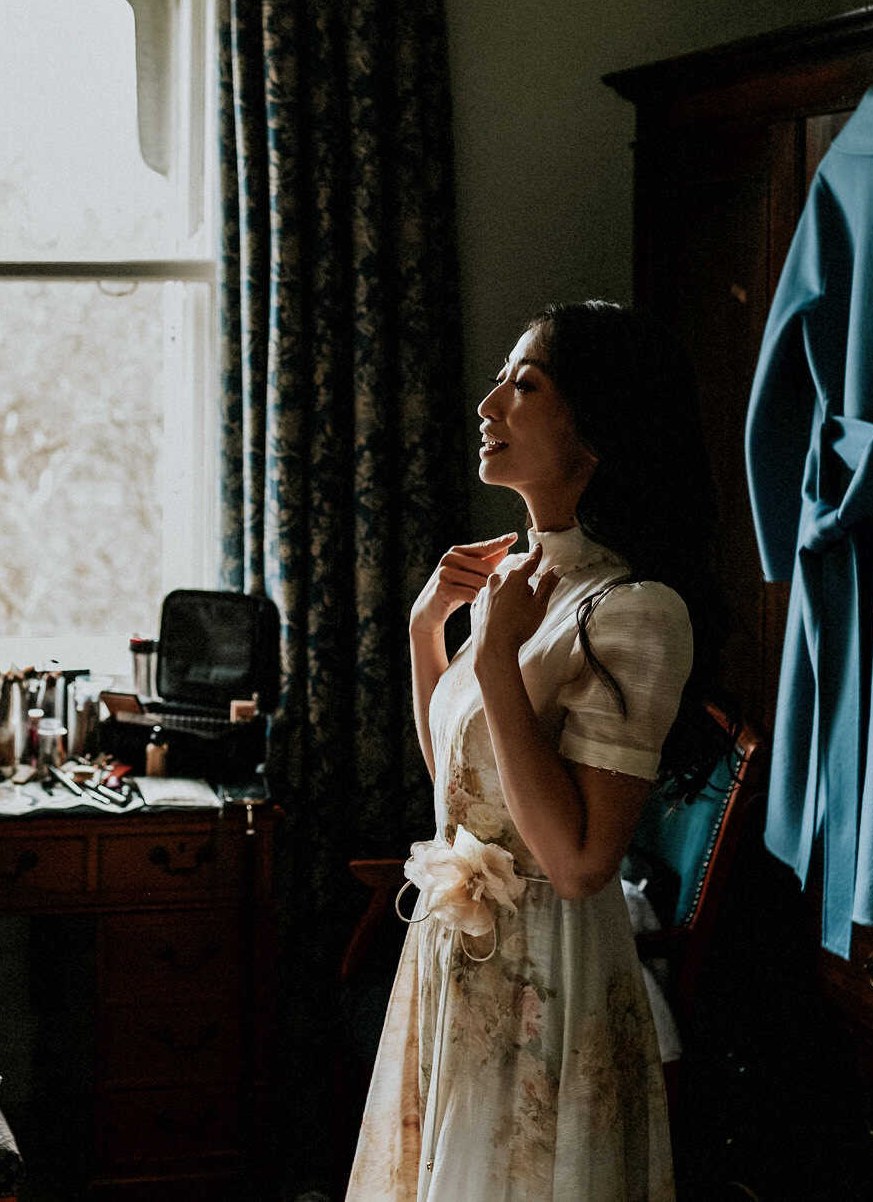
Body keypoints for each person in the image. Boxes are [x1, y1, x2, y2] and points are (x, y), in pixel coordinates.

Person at [348, 301, 730, 1200]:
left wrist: (493, 656)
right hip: (458, 965)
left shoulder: (633, 610)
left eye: (524, 385)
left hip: (546, 982)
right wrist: (425, 633)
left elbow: (578, 861)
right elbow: (468, 796)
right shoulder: (524, 586)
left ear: (595, 434)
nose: (488, 404)